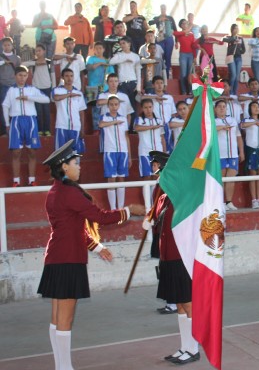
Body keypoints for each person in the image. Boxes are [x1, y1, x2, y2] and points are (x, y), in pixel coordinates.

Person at [38, 139, 145, 370]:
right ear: (64, 167)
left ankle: (60, 366)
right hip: (68, 260)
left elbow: (73, 229)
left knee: (57, 317)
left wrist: (98, 247)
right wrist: (130, 210)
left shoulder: (55, 191)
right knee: (65, 319)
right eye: (76, 163)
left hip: (56, 257)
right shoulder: (69, 193)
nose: (79, 166)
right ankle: (65, 367)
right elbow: (103, 218)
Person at [149, 172, 200, 364]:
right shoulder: (165, 198)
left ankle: (194, 348)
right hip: (168, 257)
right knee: (179, 303)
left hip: (182, 257)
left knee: (188, 303)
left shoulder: (183, 198)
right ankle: (185, 346)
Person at [2, 66, 49, 187]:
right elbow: (5, 106)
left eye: (24, 75)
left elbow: (46, 99)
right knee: (16, 152)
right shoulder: (11, 90)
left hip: (31, 121)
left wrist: (28, 98)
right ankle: (16, 181)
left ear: (27, 76)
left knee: (31, 151)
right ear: (15, 76)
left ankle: (32, 180)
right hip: (16, 121)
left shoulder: (32, 89)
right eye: (20, 75)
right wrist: (7, 123)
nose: (22, 78)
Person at [99, 95, 131, 209]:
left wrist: (130, 155)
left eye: (116, 104)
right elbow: (101, 125)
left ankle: (121, 207)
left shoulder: (123, 119)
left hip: (123, 151)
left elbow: (126, 137)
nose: (114, 107)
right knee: (111, 178)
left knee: (121, 178)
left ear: (119, 105)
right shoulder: (104, 117)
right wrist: (114, 122)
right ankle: (113, 208)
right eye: (111, 104)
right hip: (110, 151)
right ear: (108, 106)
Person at [215, 99, 244, 211]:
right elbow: (210, 131)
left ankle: (229, 202)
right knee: (220, 179)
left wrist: (241, 151)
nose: (222, 108)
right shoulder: (213, 121)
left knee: (231, 179)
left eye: (224, 106)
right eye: (220, 106)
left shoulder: (232, 120)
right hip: (220, 155)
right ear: (215, 109)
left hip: (233, 154)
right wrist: (221, 127)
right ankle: (219, 202)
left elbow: (238, 136)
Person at [22, 44, 55, 136]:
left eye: (40, 50)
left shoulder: (49, 62)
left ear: (44, 51)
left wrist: (54, 89)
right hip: (36, 89)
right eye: (36, 51)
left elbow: (53, 76)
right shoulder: (33, 62)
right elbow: (23, 64)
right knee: (38, 110)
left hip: (47, 88)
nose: (38, 52)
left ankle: (47, 130)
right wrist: (35, 63)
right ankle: (40, 130)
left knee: (46, 110)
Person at [109, 36, 141, 131]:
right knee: (123, 105)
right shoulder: (119, 55)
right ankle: (124, 127)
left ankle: (133, 128)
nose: (122, 45)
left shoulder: (135, 56)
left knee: (133, 106)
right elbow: (111, 62)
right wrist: (124, 60)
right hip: (122, 83)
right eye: (121, 44)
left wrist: (138, 86)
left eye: (124, 43)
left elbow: (138, 72)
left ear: (129, 44)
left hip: (132, 83)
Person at [240, 100, 259, 209]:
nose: (256, 108)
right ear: (249, 109)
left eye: (258, 106)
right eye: (254, 106)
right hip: (252, 150)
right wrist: (254, 122)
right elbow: (242, 125)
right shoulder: (247, 120)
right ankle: (253, 199)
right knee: (253, 174)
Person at [52, 68, 87, 153]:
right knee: (60, 154)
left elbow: (81, 112)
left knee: (75, 154)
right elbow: (55, 97)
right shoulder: (57, 90)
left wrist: (82, 129)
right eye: (67, 76)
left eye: (71, 76)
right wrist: (69, 94)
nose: (69, 78)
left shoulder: (79, 93)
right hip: (61, 126)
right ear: (62, 77)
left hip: (75, 127)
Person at [141, 76, 177, 152]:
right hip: (156, 125)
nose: (160, 85)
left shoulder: (169, 97)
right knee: (158, 146)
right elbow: (141, 98)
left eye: (161, 83)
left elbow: (173, 113)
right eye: (157, 83)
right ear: (153, 85)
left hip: (167, 125)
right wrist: (155, 97)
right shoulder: (150, 97)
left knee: (169, 147)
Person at [135, 98, 166, 180]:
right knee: (147, 176)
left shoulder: (159, 121)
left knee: (157, 176)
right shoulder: (140, 120)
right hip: (145, 151)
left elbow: (162, 137)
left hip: (158, 152)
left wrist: (164, 153)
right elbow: (137, 128)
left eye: (150, 107)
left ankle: (155, 193)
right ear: (142, 108)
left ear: (153, 107)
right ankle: (147, 193)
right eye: (145, 107)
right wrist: (152, 127)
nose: (148, 110)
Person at [86, 42, 114, 132]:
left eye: (100, 48)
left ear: (104, 49)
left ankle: (105, 127)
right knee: (94, 109)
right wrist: (100, 64)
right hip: (92, 87)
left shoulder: (107, 61)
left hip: (104, 87)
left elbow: (111, 74)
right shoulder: (91, 58)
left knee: (104, 107)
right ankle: (95, 129)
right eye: (96, 48)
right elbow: (89, 68)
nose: (98, 50)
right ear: (94, 50)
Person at [0, 37, 21, 135]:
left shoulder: (17, 58)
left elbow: (20, 71)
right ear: (2, 46)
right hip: (2, 85)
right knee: (3, 107)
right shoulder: (0, 56)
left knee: (14, 107)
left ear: (12, 46)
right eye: (5, 45)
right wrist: (4, 62)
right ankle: (5, 129)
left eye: (9, 45)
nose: (7, 47)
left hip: (13, 85)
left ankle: (14, 129)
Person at [149, 5, 176, 77]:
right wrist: (159, 20)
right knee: (159, 56)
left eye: (164, 8)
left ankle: (167, 75)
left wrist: (177, 41)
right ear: (160, 9)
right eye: (162, 8)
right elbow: (150, 23)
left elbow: (175, 29)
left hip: (169, 39)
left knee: (168, 57)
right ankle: (158, 75)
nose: (163, 9)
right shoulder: (157, 17)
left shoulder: (170, 18)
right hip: (160, 39)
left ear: (166, 9)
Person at [173, 19, 197, 95]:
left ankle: (190, 91)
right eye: (183, 23)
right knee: (183, 74)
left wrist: (195, 57)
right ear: (181, 25)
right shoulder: (180, 34)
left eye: (186, 23)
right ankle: (183, 91)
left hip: (190, 55)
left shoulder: (191, 34)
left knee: (190, 74)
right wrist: (186, 31)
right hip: (183, 54)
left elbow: (193, 46)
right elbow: (174, 33)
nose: (185, 25)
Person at [222, 24, 246, 95]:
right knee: (233, 74)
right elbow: (223, 39)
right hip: (231, 57)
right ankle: (230, 91)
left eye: (237, 28)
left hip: (238, 57)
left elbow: (243, 49)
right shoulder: (228, 37)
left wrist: (239, 51)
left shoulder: (240, 38)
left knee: (237, 75)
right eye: (235, 28)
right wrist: (234, 40)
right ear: (232, 30)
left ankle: (235, 92)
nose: (236, 30)